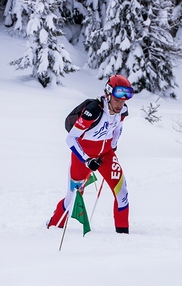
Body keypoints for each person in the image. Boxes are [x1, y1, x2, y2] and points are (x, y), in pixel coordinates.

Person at [47, 74, 133, 234]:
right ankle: (51, 228)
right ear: (108, 94)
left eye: (124, 100)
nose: (121, 104)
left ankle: (123, 237)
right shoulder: (93, 111)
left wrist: (113, 146)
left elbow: (118, 128)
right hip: (83, 156)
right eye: (117, 99)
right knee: (72, 199)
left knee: (122, 194)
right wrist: (87, 160)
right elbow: (71, 138)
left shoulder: (123, 111)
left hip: (106, 155)